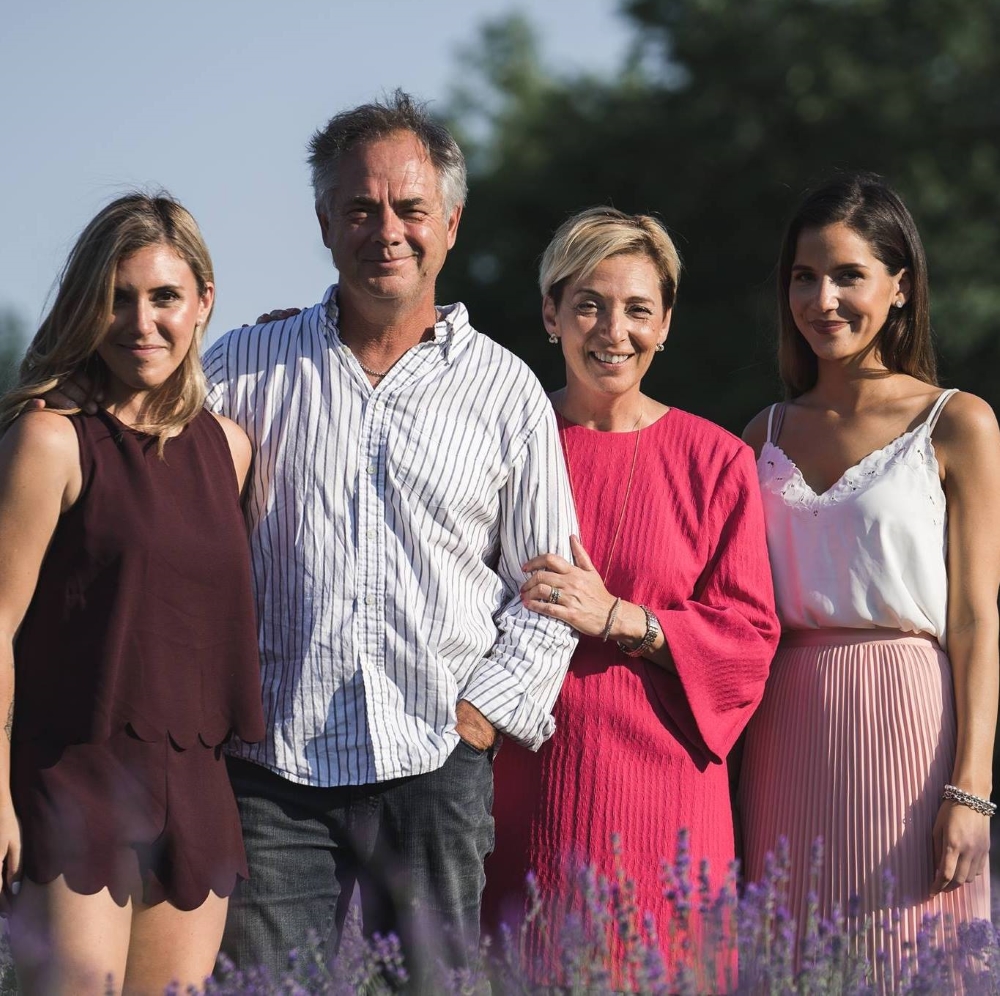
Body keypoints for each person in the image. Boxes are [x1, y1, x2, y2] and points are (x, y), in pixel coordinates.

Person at [200, 91, 578, 989]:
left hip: (434, 766)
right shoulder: (241, 369)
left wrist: (477, 724)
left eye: (410, 209)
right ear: (325, 222)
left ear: (449, 223)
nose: (387, 230)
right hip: (271, 772)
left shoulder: (507, 392)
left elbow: (551, 589)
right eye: (361, 208)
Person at [483, 207, 780, 986]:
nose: (614, 330)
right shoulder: (500, 445)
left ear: (666, 324)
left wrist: (618, 617)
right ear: (551, 313)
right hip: (521, 790)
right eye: (588, 303)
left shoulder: (718, 460)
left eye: (638, 309)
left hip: (668, 801)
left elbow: (748, 642)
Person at [0, 194, 265, 995]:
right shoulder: (50, 438)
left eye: (164, 298)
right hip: (72, 777)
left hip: (197, 790)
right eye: (118, 297)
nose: (141, 322)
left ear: (203, 303)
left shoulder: (231, 449)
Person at [739, 173, 999, 986]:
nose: (823, 299)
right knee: (788, 961)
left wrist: (972, 790)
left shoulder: (957, 421)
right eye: (804, 276)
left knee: (902, 963)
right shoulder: (762, 434)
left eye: (848, 274)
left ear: (900, 286)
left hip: (907, 719)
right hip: (784, 725)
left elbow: (977, 619)